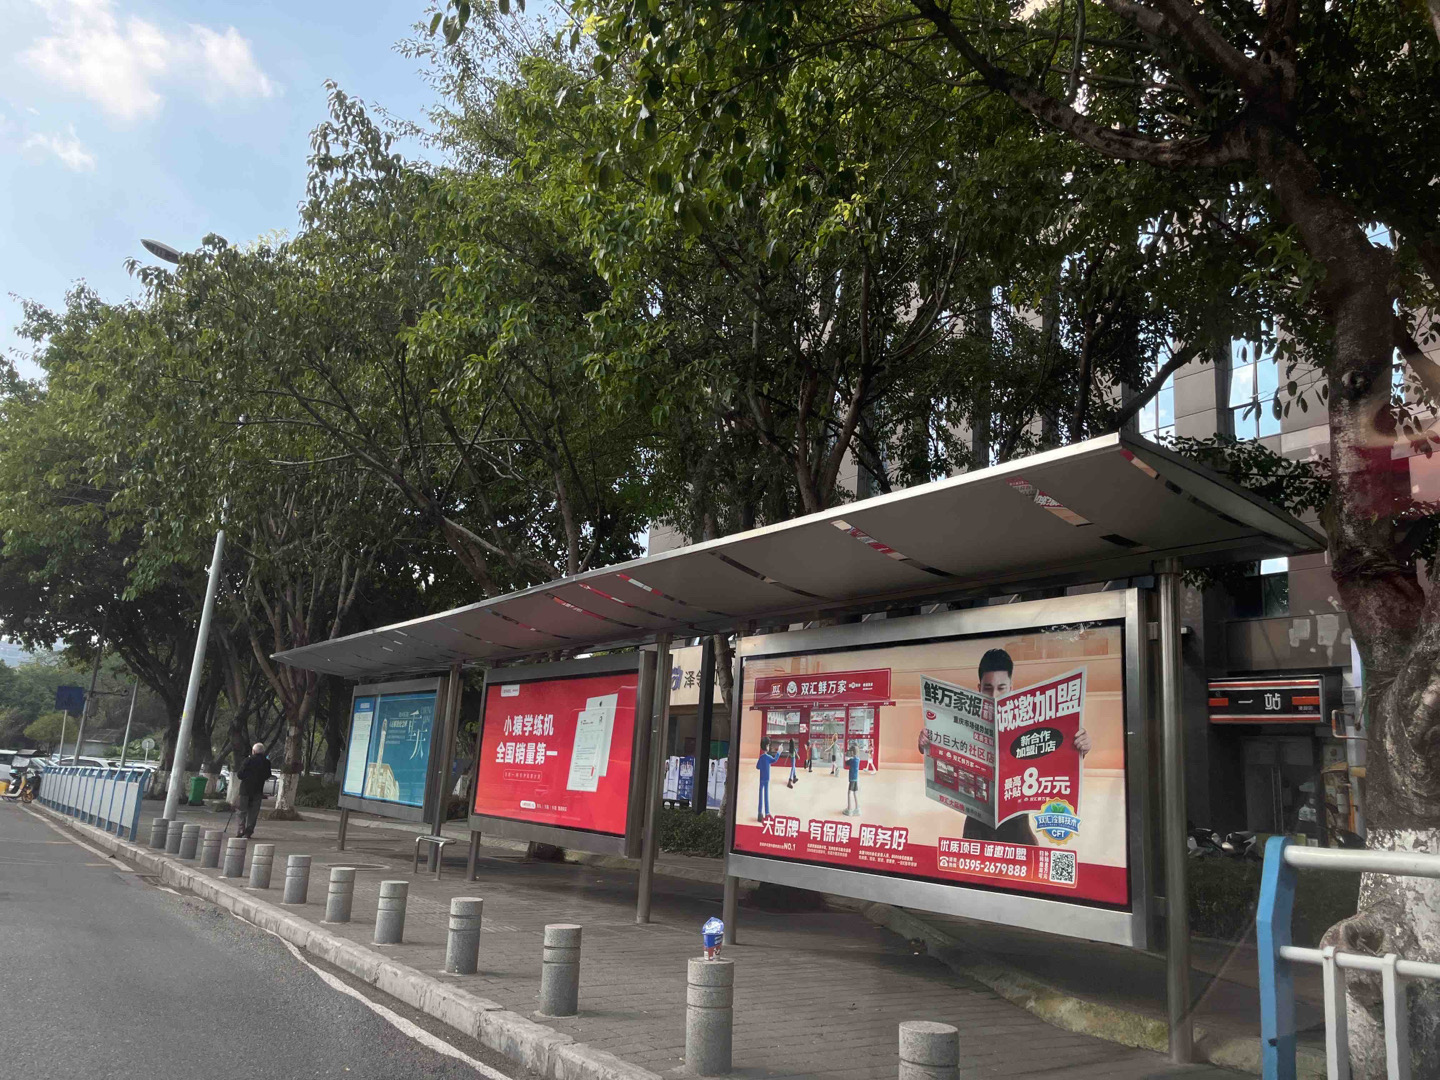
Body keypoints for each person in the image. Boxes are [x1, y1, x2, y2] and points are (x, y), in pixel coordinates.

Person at [917, 649, 1091, 844]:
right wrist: (925, 743)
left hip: (1017, 829)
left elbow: (1053, 758)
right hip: (976, 829)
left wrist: (1079, 747)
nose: (994, 695)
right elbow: (943, 753)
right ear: (979, 688)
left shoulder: (1028, 723)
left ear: (1011, 687)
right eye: (988, 688)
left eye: (1001, 688)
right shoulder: (963, 723)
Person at [235, 742, 273, 839]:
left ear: (254, 751)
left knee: (241, 810)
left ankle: (241, 829)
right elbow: (268, 775)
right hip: (258, 790)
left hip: (245, 790)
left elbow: (240, 774)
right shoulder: (266, 762)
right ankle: (248, 832)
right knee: (253, 813)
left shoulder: (248, 760)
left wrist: (247, 777)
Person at [755, 737, 778, 821]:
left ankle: (759, 813)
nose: (769, 747)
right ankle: (767, 813)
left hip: (761, 778)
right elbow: (775, 760)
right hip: (767, 778)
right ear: (766, 746)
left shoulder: (761, 757)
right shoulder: (768, 757)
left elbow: (757, 767)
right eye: (768, 745)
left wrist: (762, 766)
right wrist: (779, 752)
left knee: (760, 796)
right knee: (766, 795)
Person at [843, 742, 861, 816]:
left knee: (849, 793)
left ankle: (849, 809)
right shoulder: (858, 759)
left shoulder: (852, 760)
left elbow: (846, 763)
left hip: (852, 779)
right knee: (855, 793)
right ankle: (857, 809)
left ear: (852, 752)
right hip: (856, 778)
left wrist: (846, 755)